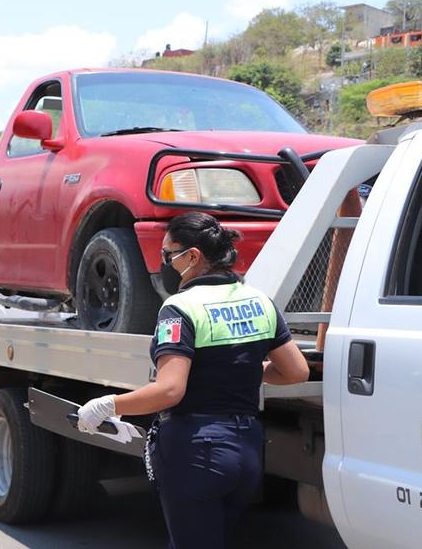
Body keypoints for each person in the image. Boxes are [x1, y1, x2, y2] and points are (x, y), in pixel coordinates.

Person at [77, 212, 309, 549]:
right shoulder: (260, 302)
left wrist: (107, 405)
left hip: (197, 451)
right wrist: (243, 371)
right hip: (247, 450)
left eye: (170, 255)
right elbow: (296, 371)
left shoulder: (181, 307)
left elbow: (170, 389)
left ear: (193, 257)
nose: (168, 264)